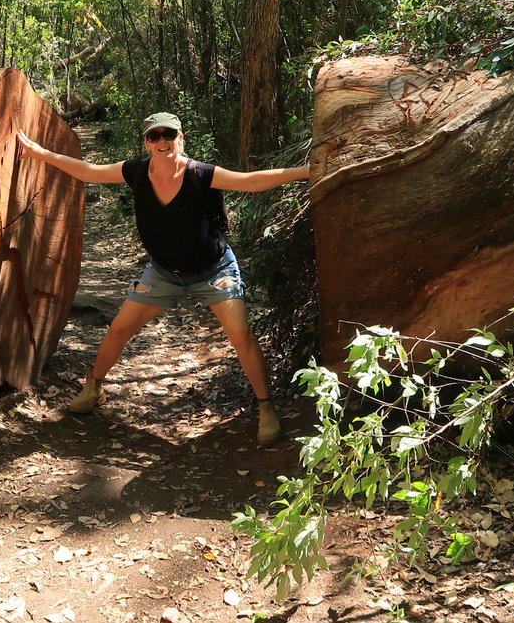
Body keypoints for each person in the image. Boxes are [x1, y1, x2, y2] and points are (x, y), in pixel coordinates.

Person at [16, 112, 310, 444]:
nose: (161, 142)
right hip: (163, 272)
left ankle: (266, 407)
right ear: (146, 142)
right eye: (153, 136)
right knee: (119, 329)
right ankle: (93, 388)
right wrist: (39, 153)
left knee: (241, 334)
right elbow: (87, 172)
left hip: (214, 270)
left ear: (181, 138)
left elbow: (252, 180)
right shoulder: (136, 171)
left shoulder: (200, 173)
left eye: (168, 134)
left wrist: (308, 171)